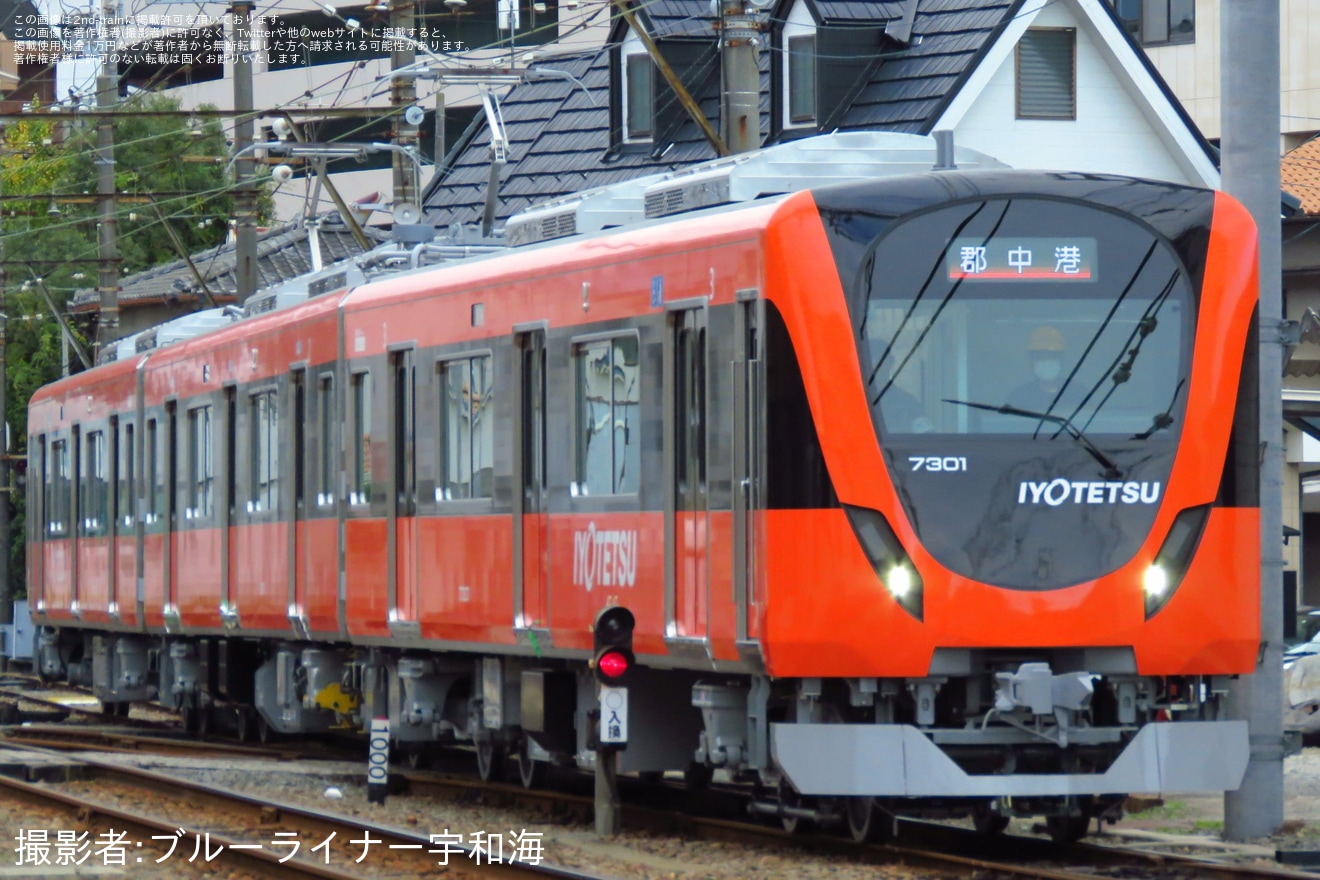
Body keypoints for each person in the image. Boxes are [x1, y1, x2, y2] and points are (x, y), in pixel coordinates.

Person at [866, 338, 932, 433]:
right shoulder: (849, 402)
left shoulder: (907, 403)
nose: (876, 368)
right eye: (873, 361)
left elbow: (926, 439)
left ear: (890, 363)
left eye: (882, 362)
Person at [1007, 325, 1068, 414]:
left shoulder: (1077, 392)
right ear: (1032, 361)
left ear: (1061, 359)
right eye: (1040, 357)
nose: (1046, 362)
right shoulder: (1019, 397)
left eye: (1051, 356)